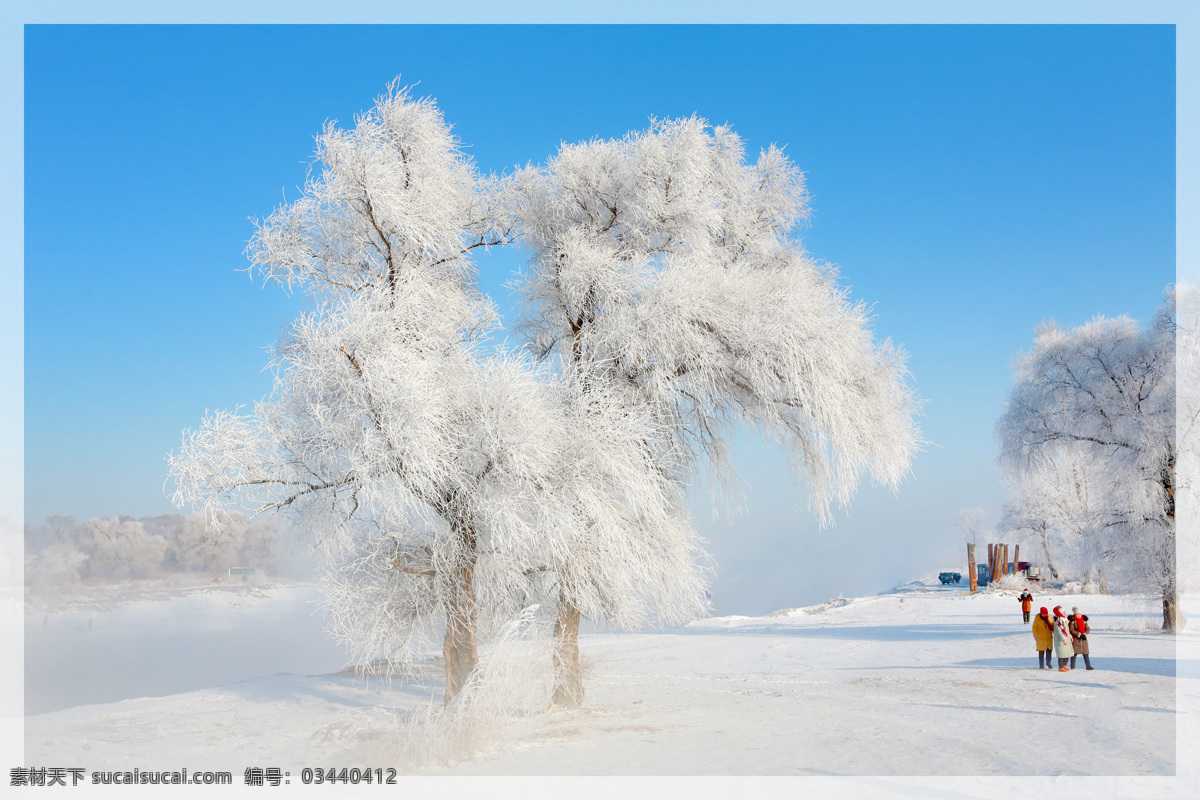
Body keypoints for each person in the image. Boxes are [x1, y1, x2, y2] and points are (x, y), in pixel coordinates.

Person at [1069, 606, 1093, 670]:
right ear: (1075, 615)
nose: (1079, 615)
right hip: (1076, 640)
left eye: (1080, 614)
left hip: (1083, 640)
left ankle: (1088, 666)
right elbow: (1071, 630)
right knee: (1074, 654)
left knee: (1085, 653)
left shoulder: (1084, 621)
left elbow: (1087, 628)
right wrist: (1078, 634)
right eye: (1077, 614)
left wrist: (1085, 633)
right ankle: (1072, 666)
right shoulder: (1072, 622)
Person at [1052, 606, 1074, 671]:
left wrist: (1070, 636)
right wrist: (1063, 639)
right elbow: (1059, 632)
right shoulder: (1057, 622)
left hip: (1066, 639)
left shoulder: (1064, 620)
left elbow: (1067, 630)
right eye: (1063, 612)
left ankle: (1064, 665)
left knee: (1067, 653)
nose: (1064, 613)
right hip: (1060, 640)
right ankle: (1060, 667)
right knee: (1061, 654)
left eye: (1065, 612)